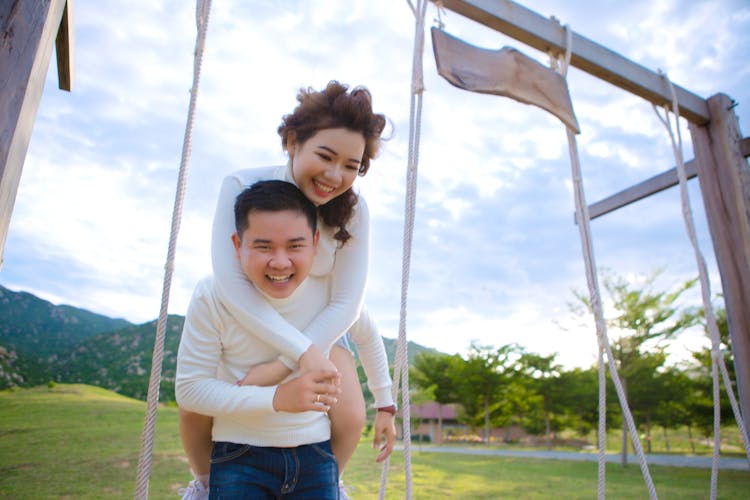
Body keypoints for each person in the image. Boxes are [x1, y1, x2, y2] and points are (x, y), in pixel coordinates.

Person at [179, 81, 396, 499]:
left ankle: (328, 481)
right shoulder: (243, 186)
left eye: (352, 165)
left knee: (350, 414)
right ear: (293, 143)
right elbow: (231, 284)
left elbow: (351, 305)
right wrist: (291, 362)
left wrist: (283, 366)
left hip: (323, 325)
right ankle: (208, 483)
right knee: (196, 406)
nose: (336, 176)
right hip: (250, 319)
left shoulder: (354, 212)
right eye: (325, 156)